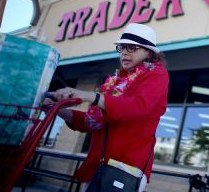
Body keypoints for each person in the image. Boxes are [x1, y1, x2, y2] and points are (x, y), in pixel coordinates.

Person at [43, 23, 168, 192]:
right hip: (96, 166)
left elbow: (136, 107)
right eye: (121, 47)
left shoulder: (157, 75)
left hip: (124, 168)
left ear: (149, 52)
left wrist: (88, 95)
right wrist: (56, 109)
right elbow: (91, 122)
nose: (124, 52)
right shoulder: (116, 81)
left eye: (131, 48)